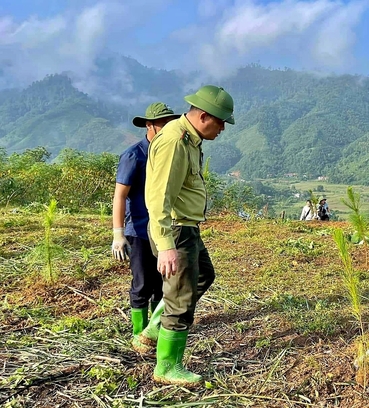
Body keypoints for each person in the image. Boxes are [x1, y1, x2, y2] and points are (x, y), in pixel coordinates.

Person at [139, 85, 235, 387]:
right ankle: (167, 367)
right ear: (204, 116)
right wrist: (166, 246)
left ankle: (154, 328)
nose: (222, 129)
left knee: (204, 274)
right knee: (180, 300)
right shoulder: (175, 142)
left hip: (186, 229)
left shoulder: (190, 139)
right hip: (176, 232)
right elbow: (158, 198)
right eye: (220, 122)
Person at [111, 102, 180, 352]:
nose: (166, 129)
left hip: (163, 231)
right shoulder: (134, 155)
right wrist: (118, 234)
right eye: (162, 124)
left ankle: (155, 330)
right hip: (139, 231)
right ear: (149, 125)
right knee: (141, 284)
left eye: (169, 124)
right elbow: (120, 195)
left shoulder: (167, 152)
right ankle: (138, 334)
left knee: (163, 285)